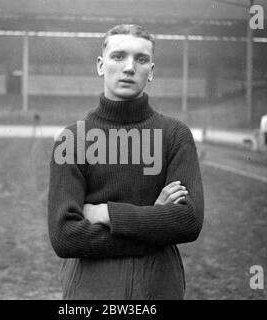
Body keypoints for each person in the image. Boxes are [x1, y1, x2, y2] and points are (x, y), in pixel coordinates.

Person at [47, 24, 204, 300]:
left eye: (141, 59)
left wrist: (108, 213)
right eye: (118, 56)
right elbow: (65, 236)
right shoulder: (72, 139)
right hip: (92, 289)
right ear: (100, 65)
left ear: (151, 71)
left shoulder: (175, 135)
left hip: (158, 287)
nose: (129, 67)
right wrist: (154, 221)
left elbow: (188, 221)